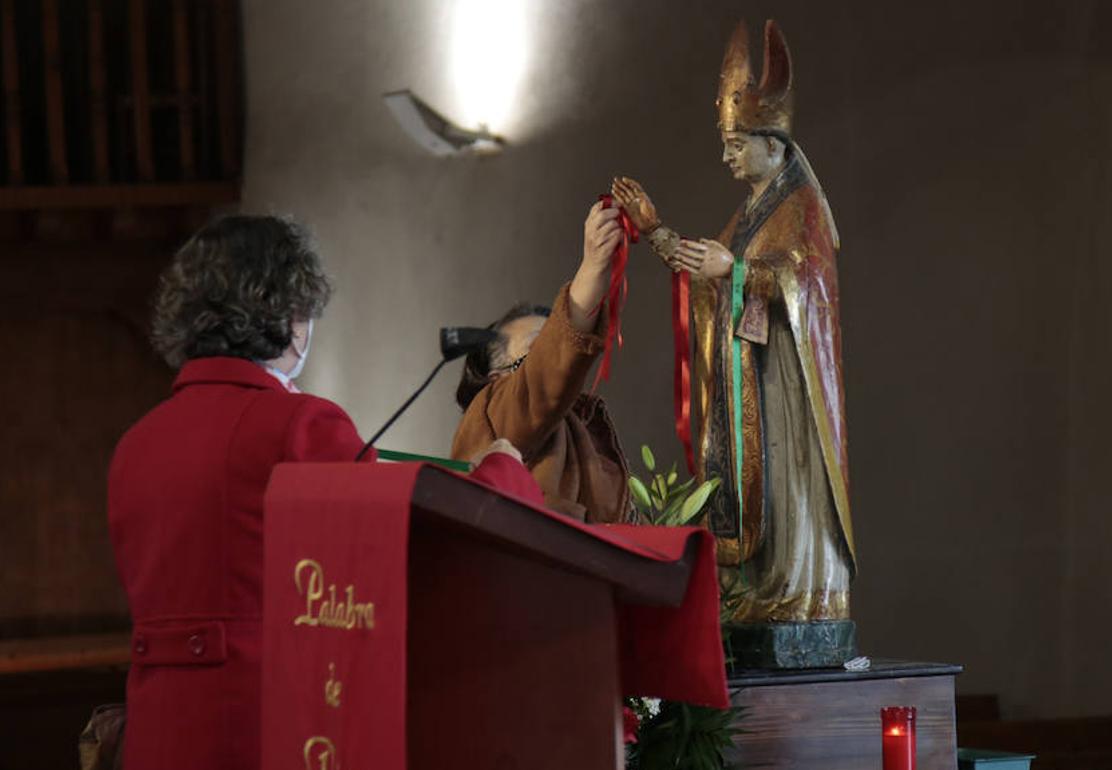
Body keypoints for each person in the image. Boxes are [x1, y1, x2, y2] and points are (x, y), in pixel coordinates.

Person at [107, 215, 533, 770]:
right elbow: (407, 537)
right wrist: (502, 472)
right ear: (291, 313)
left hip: (157, 733)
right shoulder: (297, 424)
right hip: (256, 726)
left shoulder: (135, 444)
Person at [612, 20, 856, 627]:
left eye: (736, 144)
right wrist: (655, 231)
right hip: (752, 383)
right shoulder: (750, 212)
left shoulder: (800, 207)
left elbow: (807, 284)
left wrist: (740, 270)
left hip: (788, 393)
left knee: (788, 493)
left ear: (772, 143)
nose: (726, 156)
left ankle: (796, 592)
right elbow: (708, 272)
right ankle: (755, 591)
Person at [451, 202, 636, 523]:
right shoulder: (493, 411)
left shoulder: (578, 428)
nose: (550, 355)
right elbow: (545, 374)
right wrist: (593, 267)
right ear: (496, 378)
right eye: (535, 350)